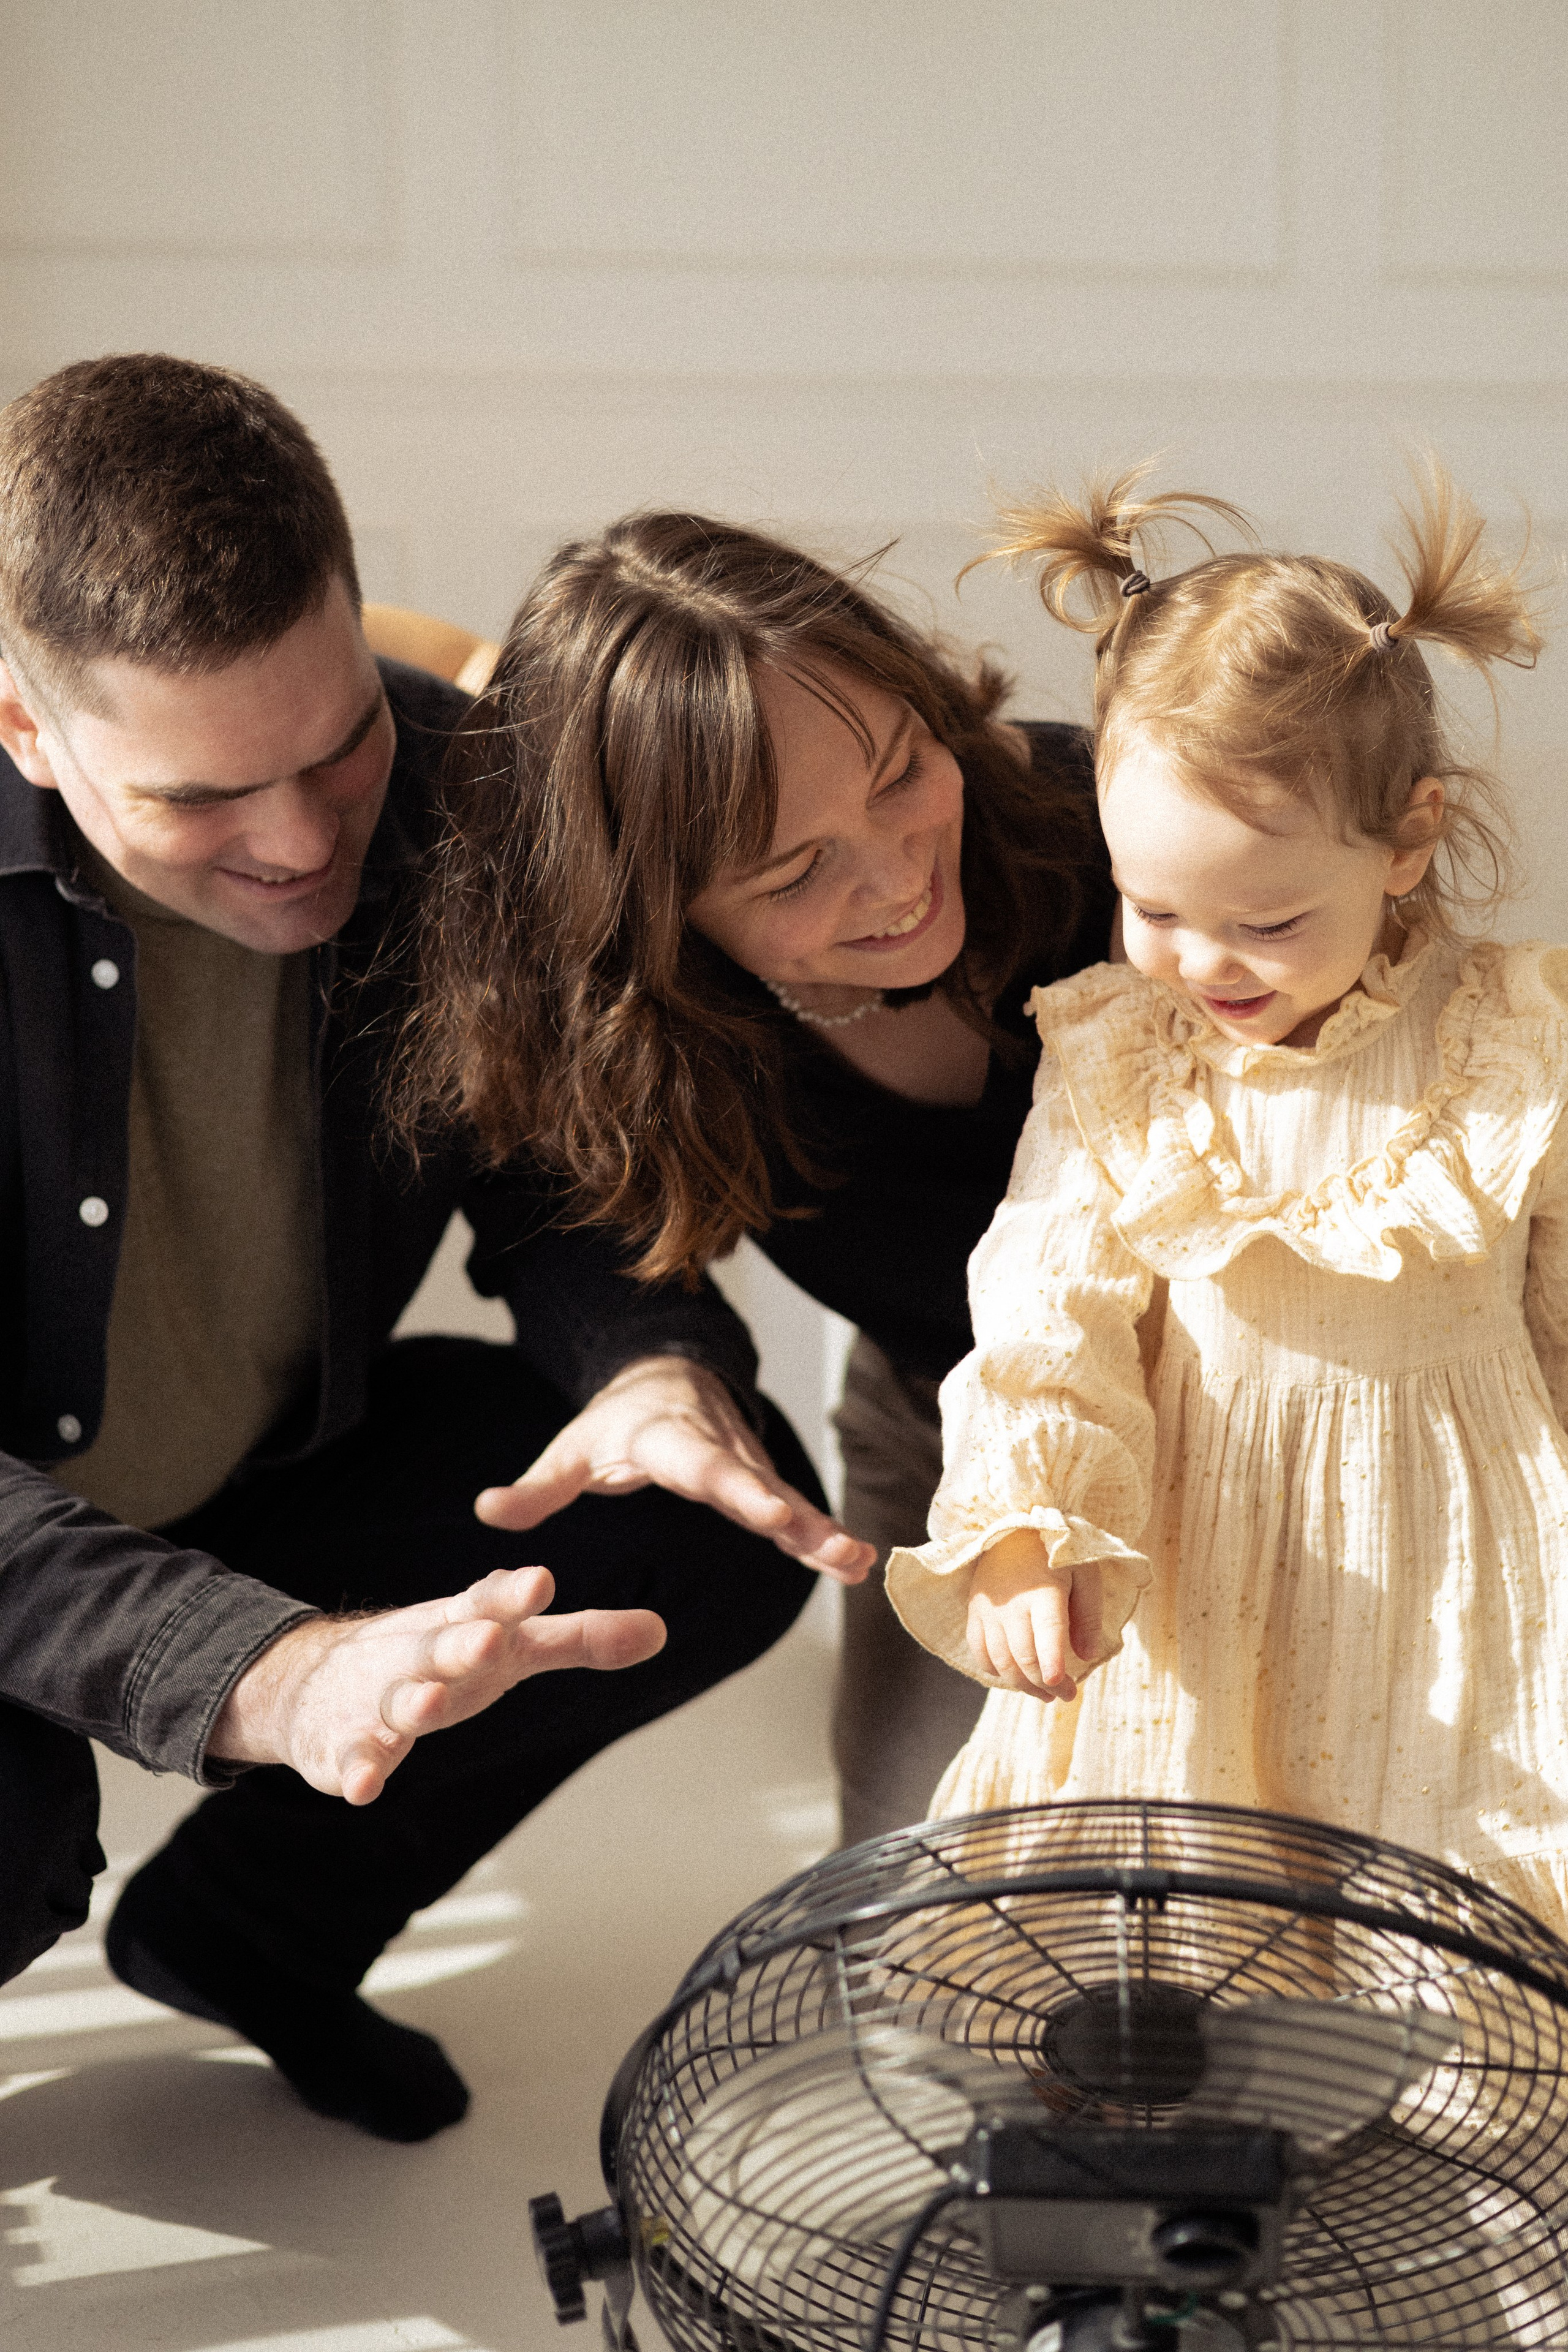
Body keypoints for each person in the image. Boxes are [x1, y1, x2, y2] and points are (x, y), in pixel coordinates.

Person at [0, 355, 873, 2143]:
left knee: (690, 1523)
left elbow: (545, 1165)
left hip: (255, 1460)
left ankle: (247, 1935)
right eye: (202, 802)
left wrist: (648, 1365)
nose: (304, 839)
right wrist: (259, 1670)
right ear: (27, 730)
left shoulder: (457, 783)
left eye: (338, 744)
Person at [882, 465, 1568, 1932]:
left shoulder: (1509, 1038)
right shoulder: (1121, 1059)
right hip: (1203, 1559)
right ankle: (1173, 2116)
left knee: (1464, 1876)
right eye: (1155, 909)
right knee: (1178, 1891)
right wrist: (1027, 1530)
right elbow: (1042, 1305)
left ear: (1406, 843)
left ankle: (1475, 2137)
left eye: (1264, 921)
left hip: (1460, 1574)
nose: (1203, 963)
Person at [396, 513, 1117, 1845]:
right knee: (927, 1917)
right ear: (656, 911)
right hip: (949, 1424)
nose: (899, 877)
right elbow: (415, 651)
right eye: (795, 870)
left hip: (1263, 1401)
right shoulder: (640, 1036)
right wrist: (648, 1369)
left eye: (903, 773)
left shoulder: (1105, 839)